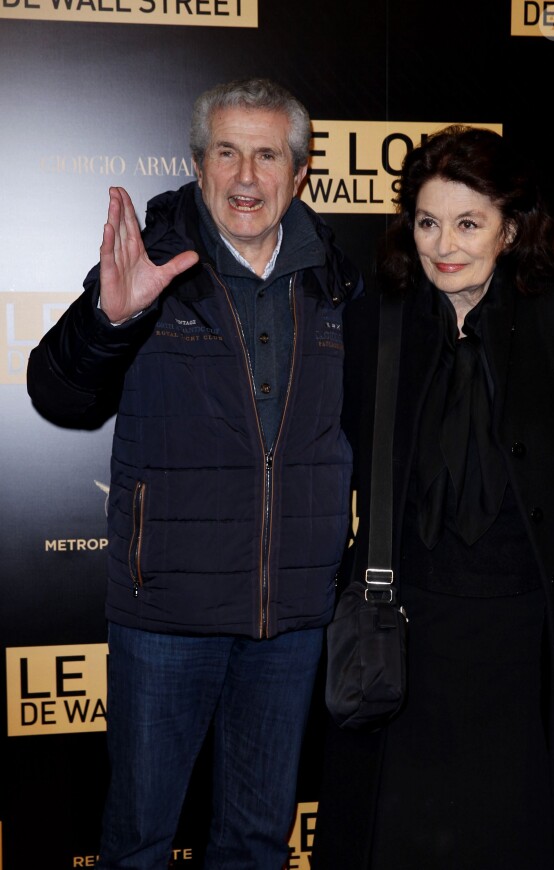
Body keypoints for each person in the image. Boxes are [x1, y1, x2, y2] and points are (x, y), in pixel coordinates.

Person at [26, 77, 362, 870]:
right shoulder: (150, 262)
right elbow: (58, 390)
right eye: (227, 152)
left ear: (301, 171)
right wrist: (113, 320)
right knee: (138, 841)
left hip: (289, 619)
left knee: (254, 844)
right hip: (166, 612)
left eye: (267, 156)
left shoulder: (336, 282)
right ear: (199, 163)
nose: (247, 177)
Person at [311, 125, 554, 870]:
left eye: (469, 223)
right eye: (428, 222)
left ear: (513, 228)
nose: (443, 244)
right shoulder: (379, 323)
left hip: (528, 648)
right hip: (407, 640)